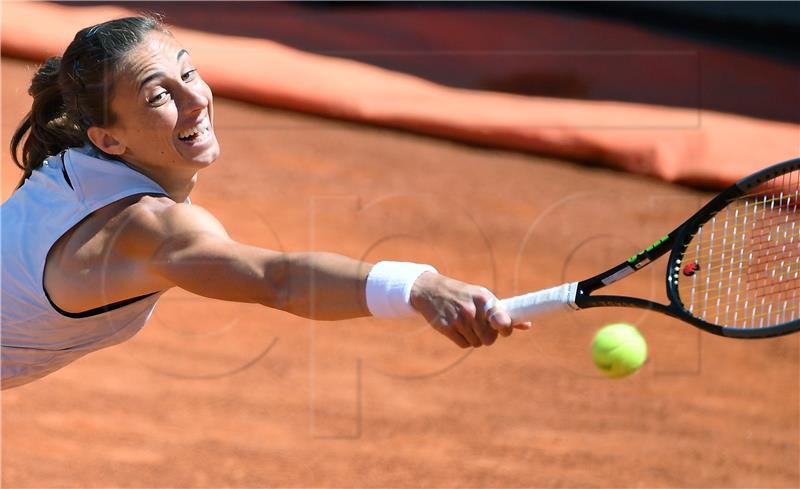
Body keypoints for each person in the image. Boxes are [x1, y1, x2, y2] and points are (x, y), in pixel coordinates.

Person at [1, 16, 528, 390]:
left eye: (187, 74)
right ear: (109, 139)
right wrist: (415, 285)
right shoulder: (150, 227)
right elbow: (278, 279)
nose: (194, 100)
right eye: (158, 95)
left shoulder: (79, 160)